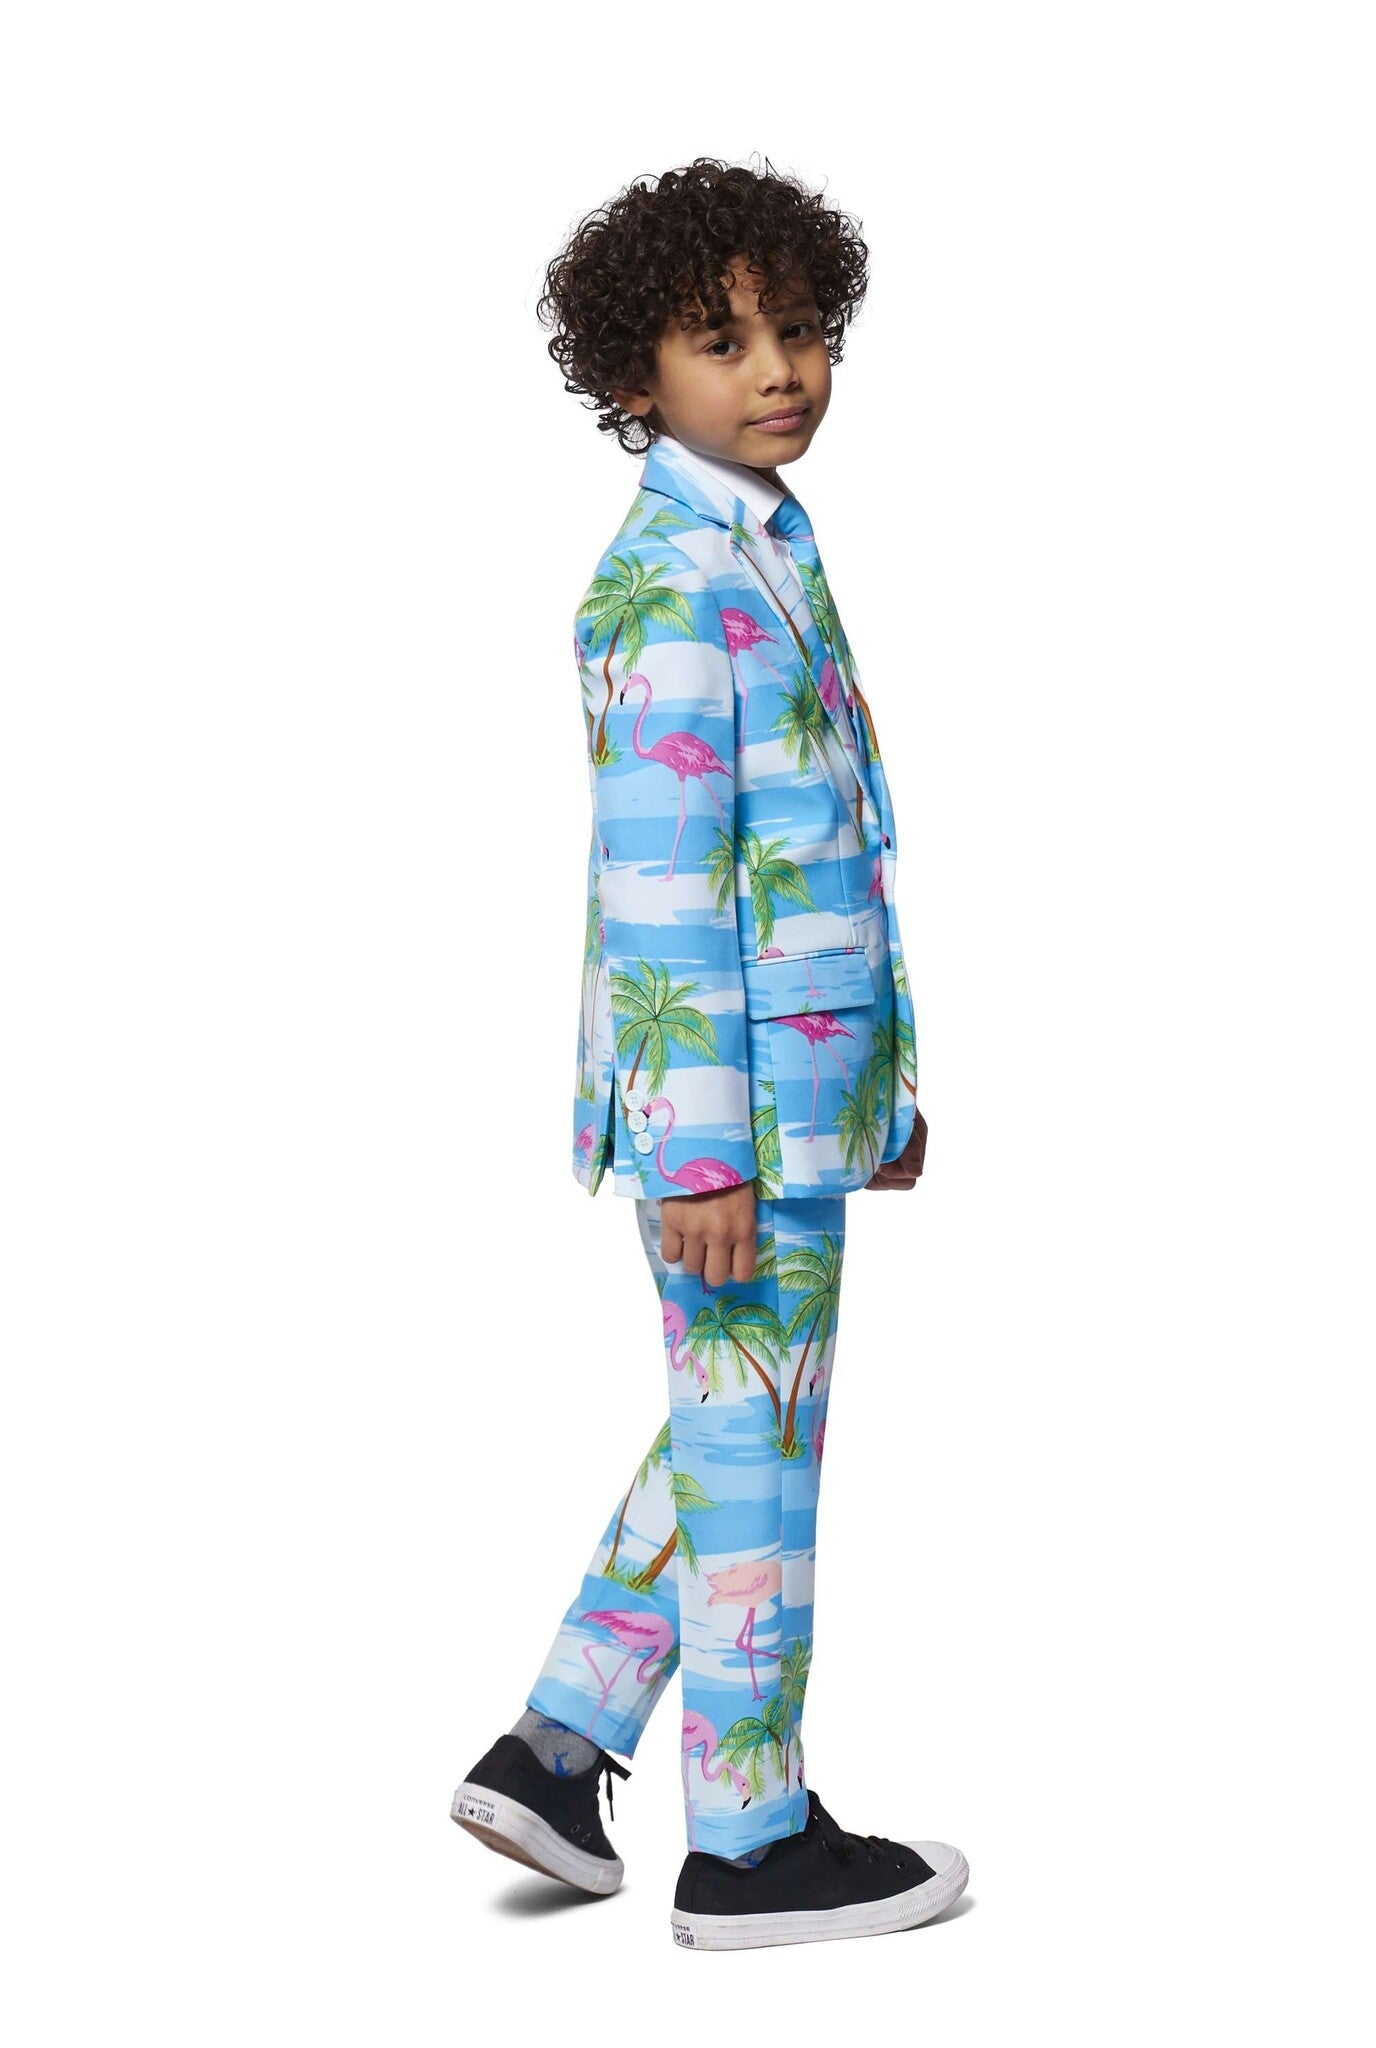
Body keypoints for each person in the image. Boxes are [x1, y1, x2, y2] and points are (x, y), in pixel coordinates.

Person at [451, 157, 969, 1952]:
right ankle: (747, 1844)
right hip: (725, 1120)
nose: (780, 369)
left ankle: (555, 1746)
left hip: (802, 1096)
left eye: (801, 329)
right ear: (632, 376)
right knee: (758, 1459)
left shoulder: (761, 537)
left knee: (737, 1417)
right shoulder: (667, 581)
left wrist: (875, 1086)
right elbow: (664, 888)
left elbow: (818, 840)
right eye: (722, 339)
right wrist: (699, 1157)